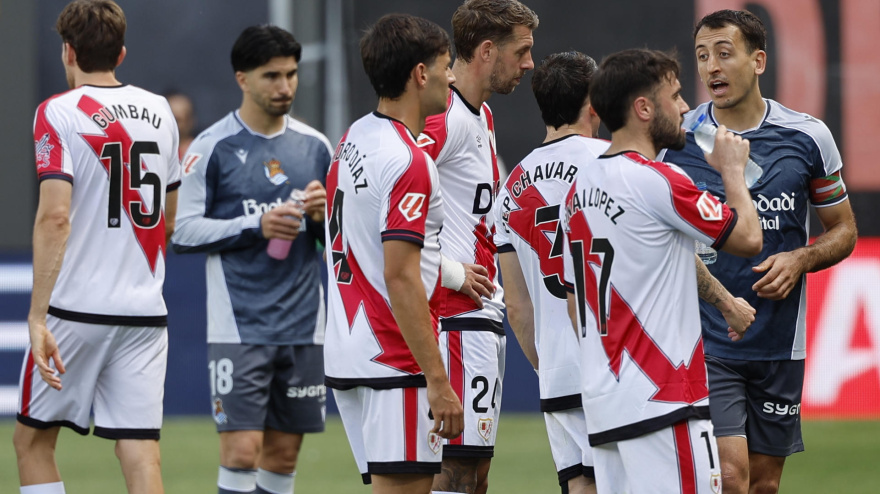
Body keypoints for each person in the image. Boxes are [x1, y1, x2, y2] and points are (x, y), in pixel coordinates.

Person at [659, 10, 858, 494]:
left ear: (759, 60)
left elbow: (844, 230)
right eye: (703, 57)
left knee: (764, 485)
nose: (711, 69)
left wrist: (800, 258)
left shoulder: (808, 136)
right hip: (708, 339)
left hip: (779, 341)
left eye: (725, 54)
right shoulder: (675, 139)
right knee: (729, 478)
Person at [563, 48, 763, 493]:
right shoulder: (659, 179)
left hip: (605, 402)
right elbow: (749, 238)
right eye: (675, 96)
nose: (686, 108)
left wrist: (726, 304)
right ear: (644, 108)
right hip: (665, 398)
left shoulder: (580, 187)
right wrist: (733, 172)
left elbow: (579, 295)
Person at [12, 1, 180, 493]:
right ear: (121, 53)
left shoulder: (57, 113)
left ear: (68, 51)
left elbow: (55, 216)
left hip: (75, 309)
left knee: (33, 444)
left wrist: (38, 316)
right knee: (140, 448)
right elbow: (168, 216)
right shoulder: (162, 111)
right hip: (146, 311)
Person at [171, 25, 331, 494]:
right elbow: (183, 232)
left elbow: (332, 245)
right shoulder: (211, 148)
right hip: (239, 328)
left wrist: (322, 221)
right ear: (242, 79)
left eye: (291, 75)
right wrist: (254, 227)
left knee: (283, 456)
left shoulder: (316, 147)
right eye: (272, 76)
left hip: (304, 326)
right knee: (241, 452)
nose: (285, 87)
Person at [322, 13, 463, 494]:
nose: (452, 76)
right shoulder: (409, 161)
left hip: (350, 350)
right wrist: (438, 379)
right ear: (420, 74)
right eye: (446, 65)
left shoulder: (352, 138)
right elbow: (400, 276)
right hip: (394, 360)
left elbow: (361, 244)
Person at [417, 1, 538, 492]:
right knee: (457, 474)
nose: (529, 64)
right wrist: (450, 271)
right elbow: (387, 199)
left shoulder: (479, 113)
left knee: (475, 473)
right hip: (452, 317)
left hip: (479, 315)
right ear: (487, 51)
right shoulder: (441, 116)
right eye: (522, 51)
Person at [492, 51, 605, 494]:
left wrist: (551, 367)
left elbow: (516, 307)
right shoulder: (611, 163)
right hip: (617, 366)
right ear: (594, 102)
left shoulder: (512, 186)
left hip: (557, 371)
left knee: (579, 488)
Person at [164, 91, 196, 158]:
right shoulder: (157, 150)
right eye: (173, 119)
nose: (176, 125)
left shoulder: (199, 151)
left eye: (178, 120)